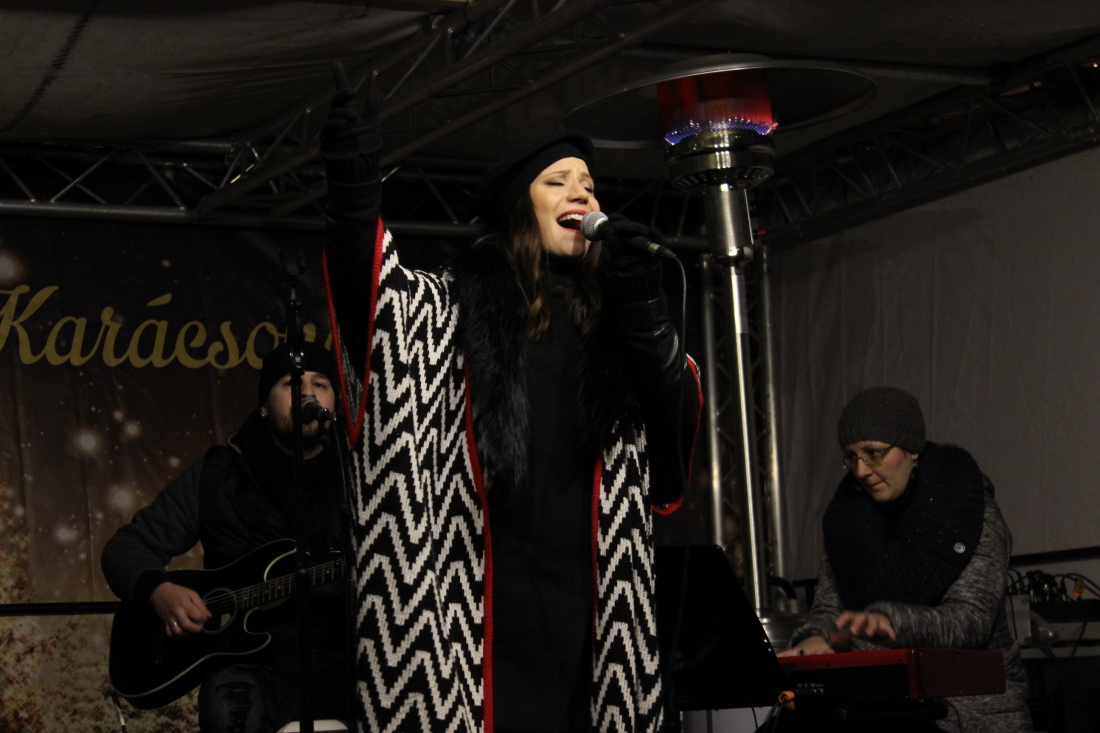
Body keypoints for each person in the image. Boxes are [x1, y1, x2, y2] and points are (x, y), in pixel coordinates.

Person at [319, 64, 701, 732]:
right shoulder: (450, 310)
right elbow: (371, 303)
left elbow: (669, 447)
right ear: (519, 207)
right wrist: (353, 189)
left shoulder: (614, 328)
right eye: (557, 180)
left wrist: (645, 313)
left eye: (588, 183)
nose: (580, 191)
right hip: (468, 608)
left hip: (588, 608)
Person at [101, 342, 351, 733]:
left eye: (321, 384)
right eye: (291, 384)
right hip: (249, 666)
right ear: (264, 405)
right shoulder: (218, 474)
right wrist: (158, 591)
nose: (308, 393)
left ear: (334, 404)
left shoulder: (362, 475)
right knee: (229, 713)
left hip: (343, 655)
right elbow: (125, 548)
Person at [780, 387, 1032, 732]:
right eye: (851, 457)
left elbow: (971, 620)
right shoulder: (845, 517)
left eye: (874, 453)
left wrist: (892, 622)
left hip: (972, 712)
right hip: (876, 706)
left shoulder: (970, 509)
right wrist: (819, 637)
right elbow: (829, 606)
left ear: (912, 449)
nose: (861, 470)